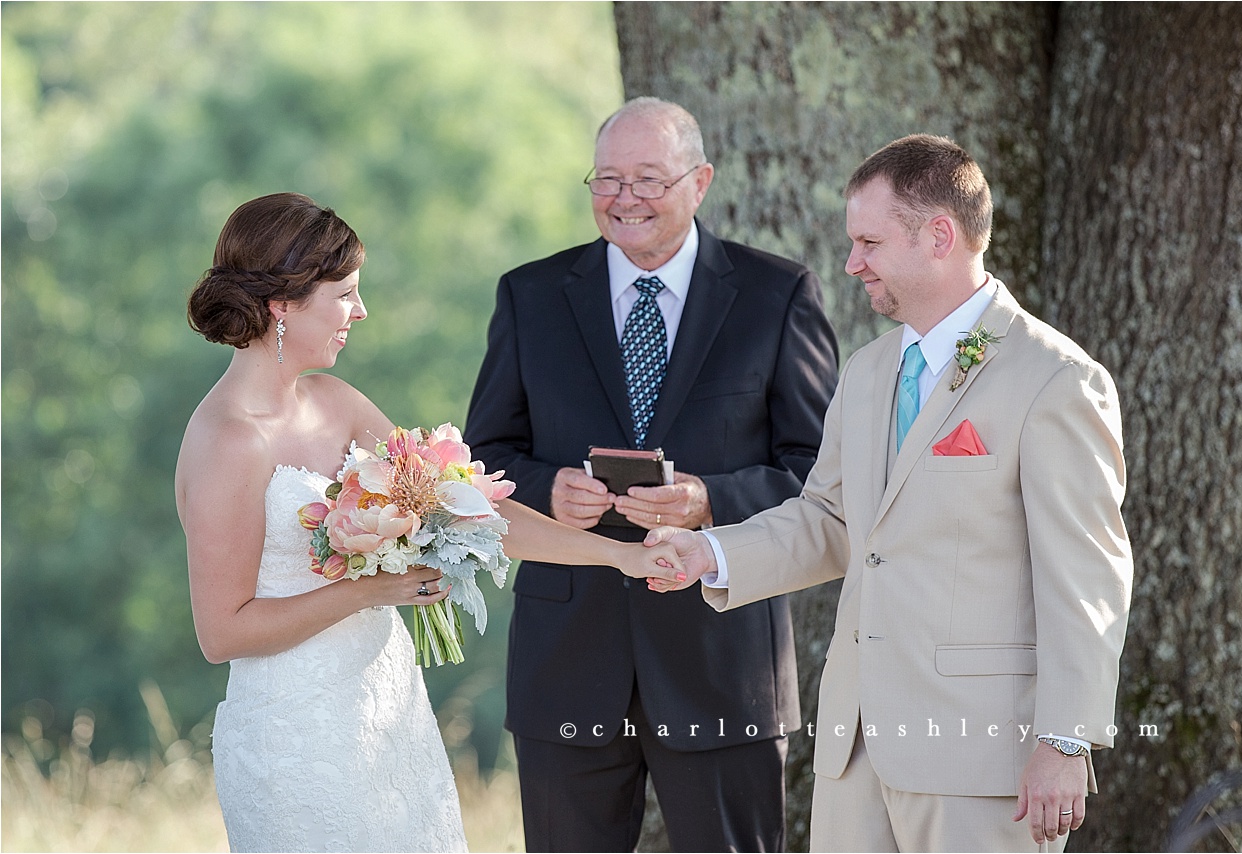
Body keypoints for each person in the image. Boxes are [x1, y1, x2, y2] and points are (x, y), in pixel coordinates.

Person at [645, 134, 1134, 852]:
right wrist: (710, 553)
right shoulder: (870, 371)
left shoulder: (1055, 379)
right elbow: (832, 520)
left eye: (869, 242)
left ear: (939, 235)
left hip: (983, 758)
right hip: (855, 751)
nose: (852, 263)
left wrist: (1065, 740)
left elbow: (1088, 575)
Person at [174, 192, 683, 853]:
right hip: (296, 742)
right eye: (345, 294)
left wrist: (622, 557)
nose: (360, 311)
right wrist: (372, 590)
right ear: (283, 303)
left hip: (388, 719)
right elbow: (221, 632)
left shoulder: (336, 401)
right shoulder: (228, 441)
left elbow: (472, 508)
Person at [464, 97, 839, 852]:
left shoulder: (776, 296)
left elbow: (823, 476)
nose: (624, 198)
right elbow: (485, 460)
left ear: (700, 182)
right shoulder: (530, 295)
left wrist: (710, 502)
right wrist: (547, 492)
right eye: (607, 179)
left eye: (647, 179)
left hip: (723, 656)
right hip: (566, 655)